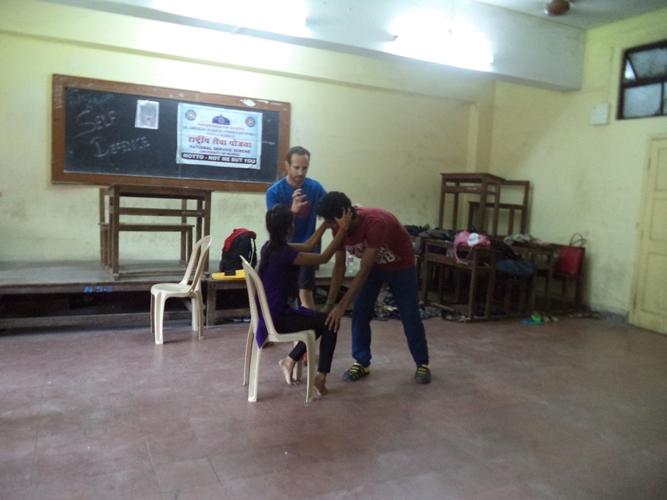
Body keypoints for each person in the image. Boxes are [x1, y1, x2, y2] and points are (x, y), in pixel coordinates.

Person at [316, 192, 431, 384]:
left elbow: (364, 269)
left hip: (401, 266)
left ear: (344, 216)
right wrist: (330, 303)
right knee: (360, 311)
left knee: (410, 314)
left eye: (330, 222)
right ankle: (362, 362)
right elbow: (339, 267)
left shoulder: (376, 223)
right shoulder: (339, 229)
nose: (329, 226)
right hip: (375, 267)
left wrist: (341, 306)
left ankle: (422, 363)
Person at [258, 203, 352, 396]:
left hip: (268, 315)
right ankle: (320, 376)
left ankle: (289, 361)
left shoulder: (269, 247)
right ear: (289, 229)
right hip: (278, 319)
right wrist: (343, 229)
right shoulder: (285, 254)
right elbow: (324, 257)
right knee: (329, 322)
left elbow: (309, 246)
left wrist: (325, 224)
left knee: (318, 321)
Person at [266, 146, 326, 310]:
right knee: (282, 294)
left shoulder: (315, 188)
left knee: (306, 293)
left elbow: (330, 206)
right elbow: (276, 225)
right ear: (287, 166)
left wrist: (349, 208)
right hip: (283, 250)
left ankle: (309, 324)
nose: (300, 172)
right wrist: (292, 211)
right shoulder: (274, 192)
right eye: (296, 167)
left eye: (304, 168)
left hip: (306, 251)